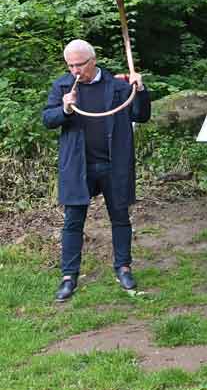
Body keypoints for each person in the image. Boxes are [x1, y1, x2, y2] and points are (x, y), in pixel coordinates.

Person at [42, 39, 151, 302]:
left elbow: (141, 115)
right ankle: (69, 276)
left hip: (114, 164)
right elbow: (48, 119)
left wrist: (140, 90)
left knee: (120, 217)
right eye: (70, 66)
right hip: (78, 166)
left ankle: (123, 268)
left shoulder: (118, 87)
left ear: (93, 61)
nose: (75, 71)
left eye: (80, 65)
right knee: (73, 222)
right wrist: (65, 108)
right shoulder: (63, 86)